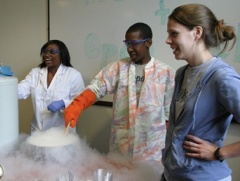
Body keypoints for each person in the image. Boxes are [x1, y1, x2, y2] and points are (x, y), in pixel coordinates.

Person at [64, 22, 175, 163]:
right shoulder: (117, 68)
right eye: (127, 44)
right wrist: (77, 105)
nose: (130, 49)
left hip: (152, 149)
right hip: (122, 145)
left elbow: (169, 111)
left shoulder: (165, 72)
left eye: (134, 44)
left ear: (148, 42)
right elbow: (97, 87)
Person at [161, 3, 240, 181]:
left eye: (174, 33)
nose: (167, 40)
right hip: (173, 175)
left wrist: (220, 152)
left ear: (197, 32)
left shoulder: (222, 77)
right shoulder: (182, 73)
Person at [18, 40, 85, 132]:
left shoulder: (73, 75)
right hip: (38, 130)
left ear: (62, 55)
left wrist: (63, 103)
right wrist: (7, 84)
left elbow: (81, 102)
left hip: (61, 132)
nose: (47, 55)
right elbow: (20, 90)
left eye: (52, 52)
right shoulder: (35, 73)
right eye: (45, 52)